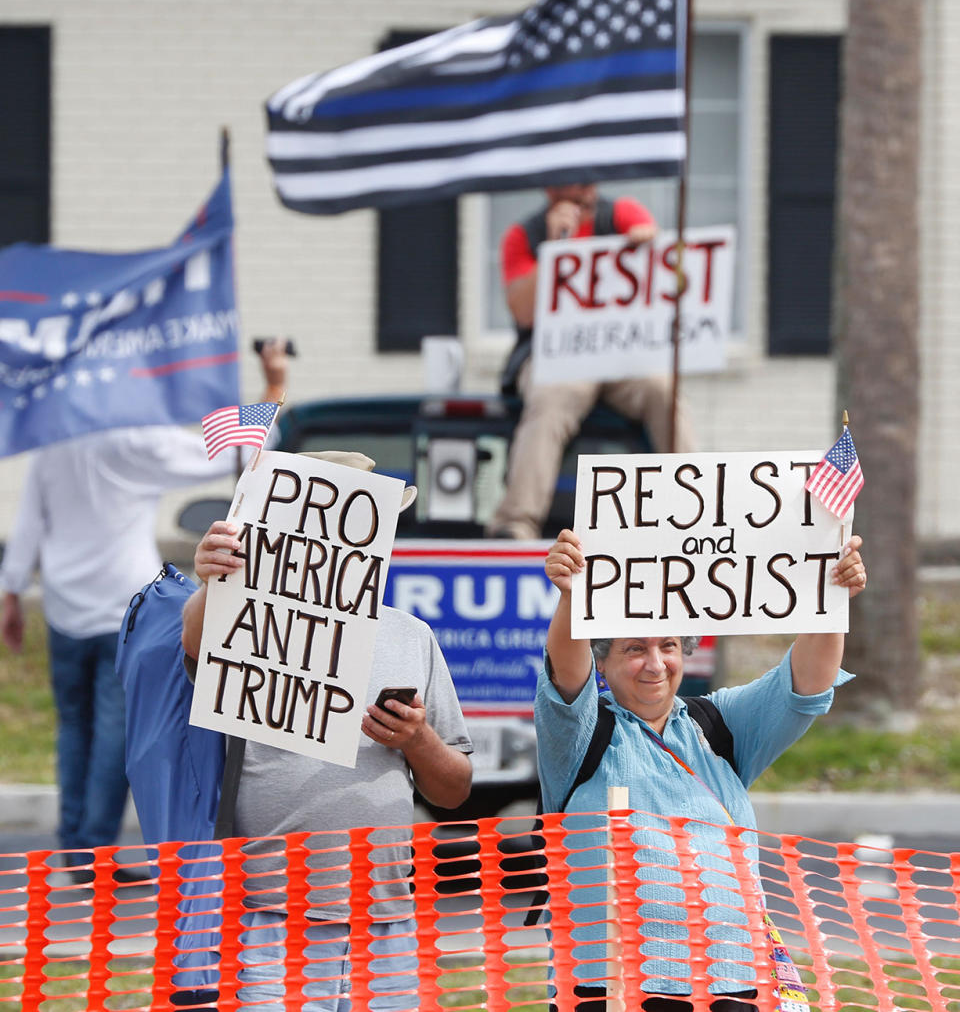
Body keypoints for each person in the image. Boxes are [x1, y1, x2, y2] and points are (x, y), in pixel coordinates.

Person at [181, 450, 473, 1012]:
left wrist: (418, 741)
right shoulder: (245, 614)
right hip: (270, 921)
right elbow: (194, 644)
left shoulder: (411, 636)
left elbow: (454, 791)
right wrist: (210, 582)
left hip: (385, 926)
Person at [537, 527, 867, 1011]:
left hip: (735, 982)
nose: (655, 664)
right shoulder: (580, 733)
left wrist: (830, 597)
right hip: (611, 986)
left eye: (668, 646)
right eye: (634, 648)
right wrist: (572, 596)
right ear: (600, 661)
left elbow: (805, 683)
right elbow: (564, 668)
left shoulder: (719, 722)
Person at [0, 340, 289, 856]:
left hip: (65, 605)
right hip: (123, 608)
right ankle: (94, 850)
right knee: (118, 731)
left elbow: (29, 523)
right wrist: (272, 385)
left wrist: (12, 590)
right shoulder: (139, 439)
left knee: (74, 727)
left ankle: (72, 842)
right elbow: (241, 449)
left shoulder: (54, 437)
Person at [489, 183, 696, 541]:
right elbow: (523, 312)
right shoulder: (523, 236)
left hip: (618, 356)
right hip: (555, 355)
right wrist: (556, 252)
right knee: (553, 400)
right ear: (551, 189)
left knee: (663, 391)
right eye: (575, 179)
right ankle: (516, 522)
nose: (588, 186)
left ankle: (697, 510)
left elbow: (667, 276)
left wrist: (649, 246)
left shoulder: (623, 215)